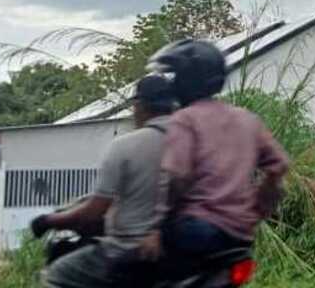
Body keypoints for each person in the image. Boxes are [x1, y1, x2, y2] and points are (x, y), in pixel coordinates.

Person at [139, 39, 290, 269]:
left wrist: (154, 228)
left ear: (185, 81)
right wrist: (260, 204)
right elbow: (279, 165)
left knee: (135, 267)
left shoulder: (185, 119)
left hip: (196, 232)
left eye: (176, 77)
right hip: (241, 236)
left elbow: (177, 177)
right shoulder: (247, 119)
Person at [32, 74, 176, 288]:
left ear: (140, 106)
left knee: (56, 274)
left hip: (127, 249)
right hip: (176, 251)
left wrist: (48, 221)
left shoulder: (126, 145)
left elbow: (94, 211)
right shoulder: (191, 143)